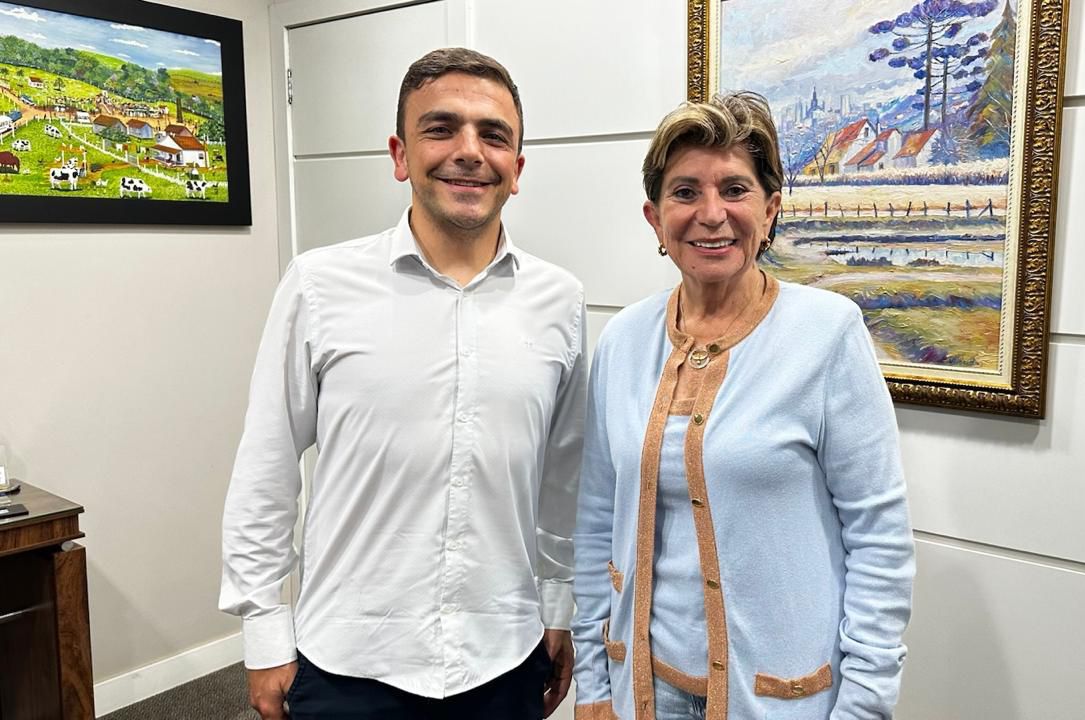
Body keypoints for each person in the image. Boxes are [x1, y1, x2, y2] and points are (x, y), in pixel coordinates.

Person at [220, 48, 585, 720]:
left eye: (493, 135)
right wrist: (263, 627)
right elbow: (266, 467)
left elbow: (564, 478)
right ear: (400, 154)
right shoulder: (318, 286)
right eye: (440, 129)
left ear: (516, 168)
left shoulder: (560, 302)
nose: (469, 151)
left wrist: (559, 604)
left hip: (503, 655)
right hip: (351, 661)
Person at [570, 92, 915, 720]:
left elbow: (879, 538)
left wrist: (864, 704)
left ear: (770, 209)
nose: (712, 215)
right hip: (642, 689)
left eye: (734, 189)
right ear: (654, 218)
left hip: (779, 697)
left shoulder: (828, 334)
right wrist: (594, 683)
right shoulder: (622, 340)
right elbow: (596, 523)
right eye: (685, 193)